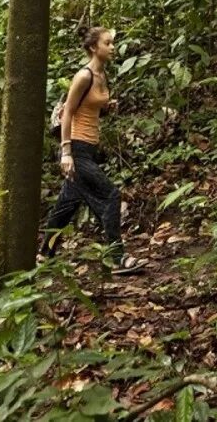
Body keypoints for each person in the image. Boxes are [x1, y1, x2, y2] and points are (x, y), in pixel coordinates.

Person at [41, 26, 145, 274]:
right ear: (92, 48)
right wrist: (66, 152)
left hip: (88, 148)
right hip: (75, 147)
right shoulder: (83, 76)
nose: (112, 47)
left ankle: (44, 253)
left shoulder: (101, 76)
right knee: (111, 196)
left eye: (112, 43)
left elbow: (90, 109)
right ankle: (117, 258)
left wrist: (107, 107)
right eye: (107, 43)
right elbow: (68, 114)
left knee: (67, 205)